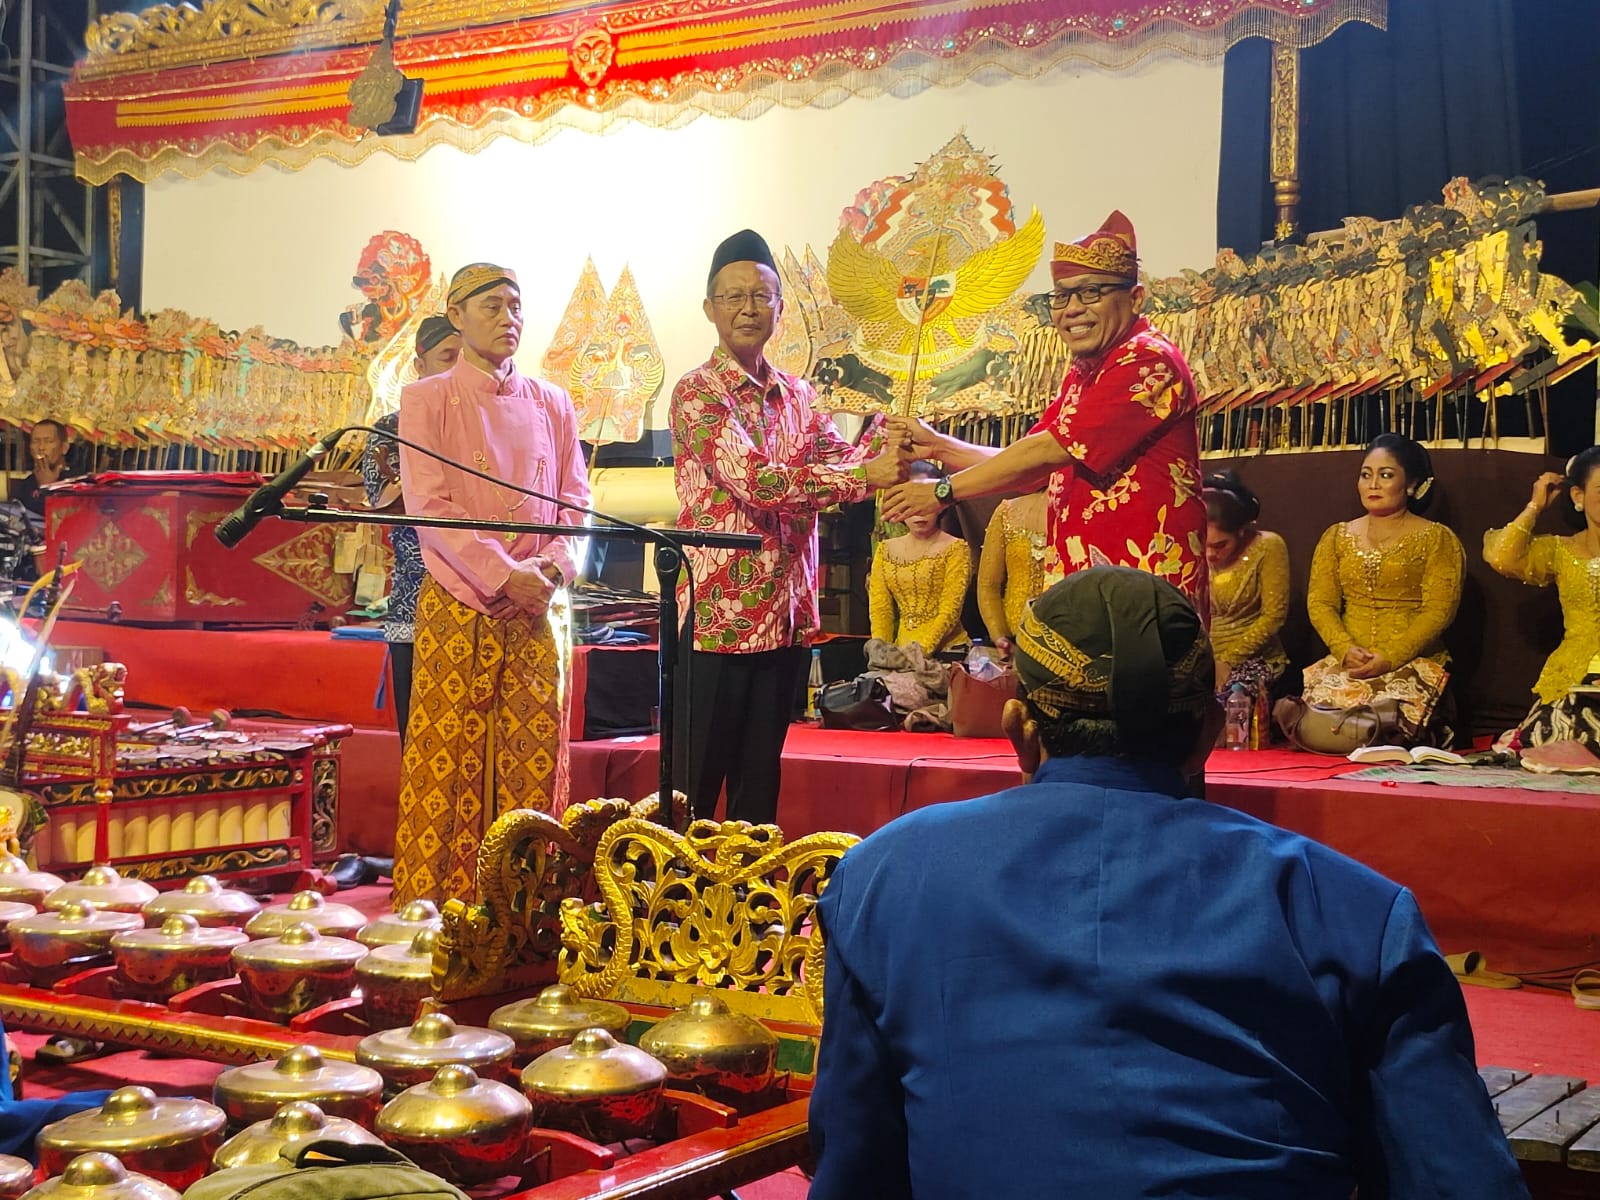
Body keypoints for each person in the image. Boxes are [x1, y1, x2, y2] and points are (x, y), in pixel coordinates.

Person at [809, 566, 1527, 1200]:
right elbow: (1453, 1176)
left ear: (1020, 729)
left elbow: (856, 1164)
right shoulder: (1351, 909)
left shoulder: (882, 876)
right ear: (1207, 734)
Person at [671, 229, 908, 825]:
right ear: (710, 309)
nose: (749, 308)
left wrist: (887, 439)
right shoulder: (698, 393)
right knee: (692, 783)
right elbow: (757, 482)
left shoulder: (799, 394)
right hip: (719, 617)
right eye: (734, 297)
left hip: (785, 614)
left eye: (762, 296)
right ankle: (668, 907)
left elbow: (839, 460)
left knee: (760, 782)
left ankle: (741, 912)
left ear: (780, 307)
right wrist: (868, 474)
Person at [881, 211, 1208, 621]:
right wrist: (940, 446)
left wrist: (941, 491)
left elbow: (1044, 452)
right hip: (1091, 590)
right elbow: (1030, 467)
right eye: (1061, 296)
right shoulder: (1085, 373)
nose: (1071, 309)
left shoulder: (1146, 360)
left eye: (1091, 293)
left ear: (1136, 298)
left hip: (1142, 593)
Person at [393, 263, 589, 905]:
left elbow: (576, 501)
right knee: (450, 762)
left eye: (516, 306)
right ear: (456, 315)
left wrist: (554, 569)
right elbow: (431, 505)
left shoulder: (552, 402)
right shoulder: (425, 400)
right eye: (493, 307)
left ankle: (530, 909)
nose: (510, 319)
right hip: (462, 602)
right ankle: (441, 907)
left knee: (533, 759)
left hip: (540, 608)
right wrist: (506, 575)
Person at [1303, 433, 1464, 745]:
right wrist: (1344, 649)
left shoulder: (1437, 539)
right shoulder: (1336, 537)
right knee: (1322, 726)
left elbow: (1439, 610)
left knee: (1390, 728)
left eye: (1386, 475)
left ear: (1413, 485)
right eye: (1366, 475)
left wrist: (1391, 657)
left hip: (1411, 661)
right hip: (1348, 660)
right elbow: (1320, 603)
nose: (1372, 484)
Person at [362, 315, 461, 741]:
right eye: (448, 358)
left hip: (482, 599)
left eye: (465, 358)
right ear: (419, 367)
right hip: (415, 599)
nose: (458, 368)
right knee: (421, 736)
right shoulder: (389, 428)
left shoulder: (484, 425)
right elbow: (384, 498)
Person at [1483, 448, 1600, 748]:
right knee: (1554, 737)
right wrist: (1535, 506)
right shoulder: (1562, 550)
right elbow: (1501, 556)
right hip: (1574, 674)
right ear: (1578, 495)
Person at [868, 462, 971, 654]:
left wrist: (919, 653)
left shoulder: (956, 548)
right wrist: (881, 654)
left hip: (949, 651)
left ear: (940, 504)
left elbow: (949, 612)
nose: (918, 512)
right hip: (902, 652)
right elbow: (881, 611)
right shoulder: (885, 550)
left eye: (923, 501)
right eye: (909, 502)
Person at [1204, 468, 1290, 692]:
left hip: (1256, 659)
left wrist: (1228, 661)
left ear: (1241, 531)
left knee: (1233, 697)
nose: (1210, 554)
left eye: (1220, 545)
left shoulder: (1267, 546)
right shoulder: (1188, 551)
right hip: (1205, 658)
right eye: (1203, 543)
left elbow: (1273, 617)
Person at [974, 489, 1047, 656]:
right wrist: (1001, 637)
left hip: (1068, 643)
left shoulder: (1089, 511)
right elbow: (988, 585)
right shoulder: (1007, 512)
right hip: (1013, 640)